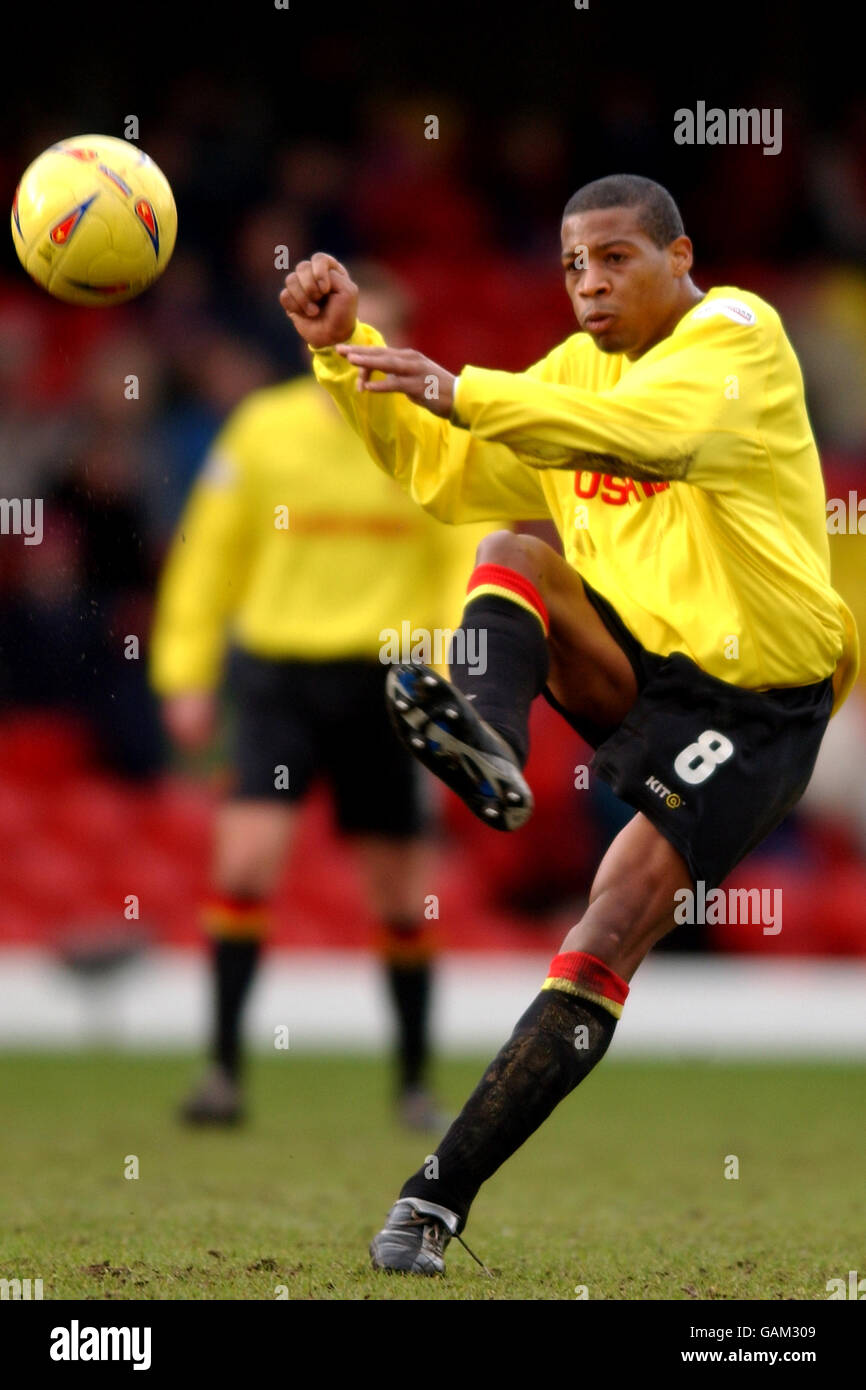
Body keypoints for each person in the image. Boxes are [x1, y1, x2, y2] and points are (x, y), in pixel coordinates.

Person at [279, 174, 859, 1273]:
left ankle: (431, 1201)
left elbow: (653, 438)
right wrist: (339, 359)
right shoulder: (570, 373)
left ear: (679, 257)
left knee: (606, 925)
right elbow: (451, 477)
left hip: (759, 701)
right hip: (643, 665)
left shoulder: (738, 332)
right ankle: (488, 739)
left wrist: (465, 386)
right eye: (569, 267)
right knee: (509, 551)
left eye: (613, 259)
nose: (587, 284)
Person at [150, 265, 494, 1131]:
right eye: (346, 336)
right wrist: (185, 672)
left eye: (375, 339)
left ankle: (415, 1083)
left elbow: (461, 556)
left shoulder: (425, 436)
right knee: (245, 864)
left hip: (387, 681)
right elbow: (207, 553)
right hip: (280, 678)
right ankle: (223, 1072)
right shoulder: (262, 430)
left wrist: (450, 668)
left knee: (397, 893)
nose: (358, 353)